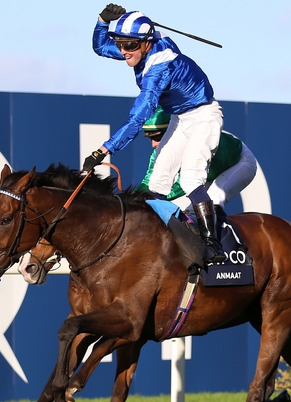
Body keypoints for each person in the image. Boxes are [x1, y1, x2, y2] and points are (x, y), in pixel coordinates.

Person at [83, 4, 226, 265]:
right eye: (121, 44)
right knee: (157, 185)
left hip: (204, 117)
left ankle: (211, 245)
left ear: (146, 44)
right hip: (179, 119)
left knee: (191, 179)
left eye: (130, 46)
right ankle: (161, 239)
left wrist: (104, 149)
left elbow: (139, 116)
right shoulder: (142, 44)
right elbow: (101, 47)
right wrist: (103, 21)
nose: (124, 52)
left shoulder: (160, 67)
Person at [138, 106, 258, 209]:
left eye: (158, 138)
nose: (153, 144)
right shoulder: (160, 152)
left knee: (214, 200)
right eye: (150, 138)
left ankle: (225, 235)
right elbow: (149, 180)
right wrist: (131, 197)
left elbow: (182, 184)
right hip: (209, 173)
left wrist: (148, 198)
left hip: (240, 162)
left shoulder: (196, 144)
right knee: (193, 213)